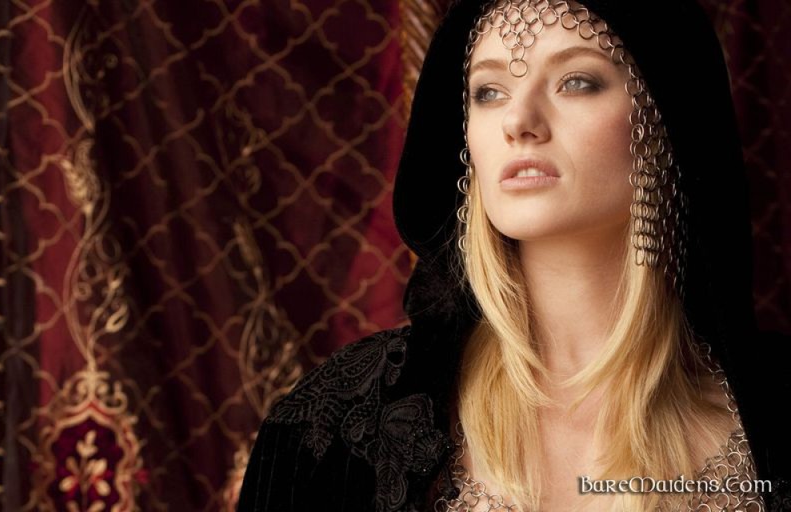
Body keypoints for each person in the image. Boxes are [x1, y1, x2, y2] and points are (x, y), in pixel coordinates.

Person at [237, 0, 791, 510]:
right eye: (489, 92)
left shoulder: (774, 418)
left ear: (663, 123)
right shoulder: (334, 426)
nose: (518, 121)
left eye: (576, 82)